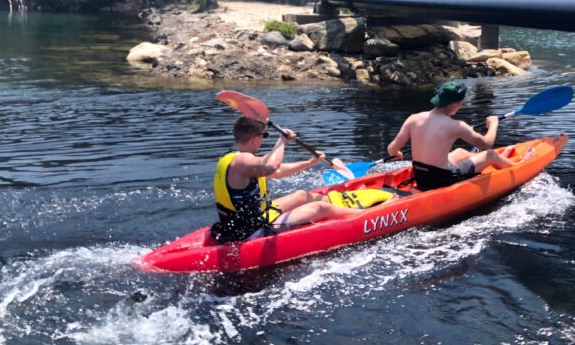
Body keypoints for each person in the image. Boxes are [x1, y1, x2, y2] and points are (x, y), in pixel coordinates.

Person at [212, 116, 357, 243]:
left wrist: (308, 163)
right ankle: (364, 215)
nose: (262, 140)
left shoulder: (230, 158)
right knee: (320, 208)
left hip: (254, 217)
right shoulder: (242, 161)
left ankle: (345, 206)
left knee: (301, 195)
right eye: (264, 136)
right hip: (251, 232)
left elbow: (278, 171)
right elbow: (271, 166)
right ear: (254, 138)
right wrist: (282, 141)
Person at [386, 81, 535, 191]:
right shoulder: (456, 126)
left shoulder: (413, 118)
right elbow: (487, 144)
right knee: (489, 154)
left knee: (460, 152)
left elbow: (392, 149)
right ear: (455, 105)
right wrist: (493, 123)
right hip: (442, 180)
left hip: (421, 175)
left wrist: (397, 154)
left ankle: (481, 161)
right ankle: (518, 166)